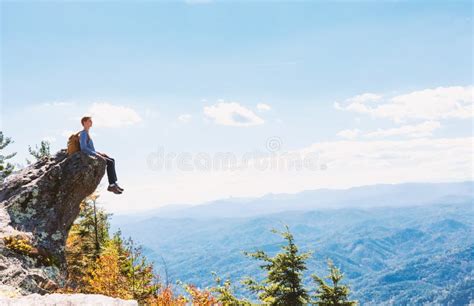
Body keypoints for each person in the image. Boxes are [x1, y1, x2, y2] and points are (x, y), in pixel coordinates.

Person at [79, 116, 124, 194]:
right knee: (109, 162)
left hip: (92, 154)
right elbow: (83, 148)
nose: (91, 122)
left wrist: (98, 153)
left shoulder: (87, 133)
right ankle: (111, 185)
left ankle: (114, 183)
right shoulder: (83, 133)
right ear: (85, 122)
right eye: (90, 121)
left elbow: (89, 148)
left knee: (112, 160)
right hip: (88, 156)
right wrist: (96, 154)